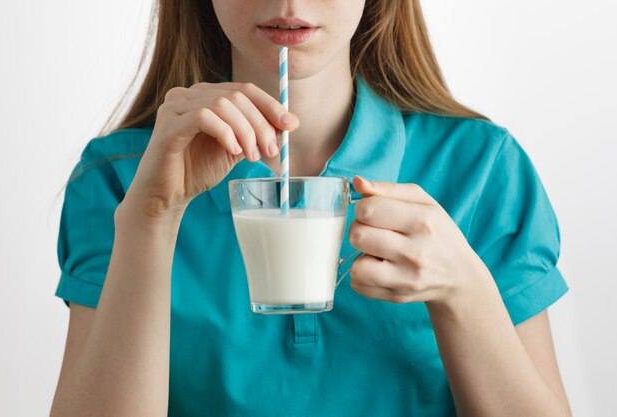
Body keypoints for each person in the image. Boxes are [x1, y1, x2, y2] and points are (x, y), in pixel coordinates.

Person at [50, 1, 572, 416]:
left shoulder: (482, 168)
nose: (289, 0)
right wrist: (151, 218)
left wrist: (465, 292)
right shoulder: (121, 180)